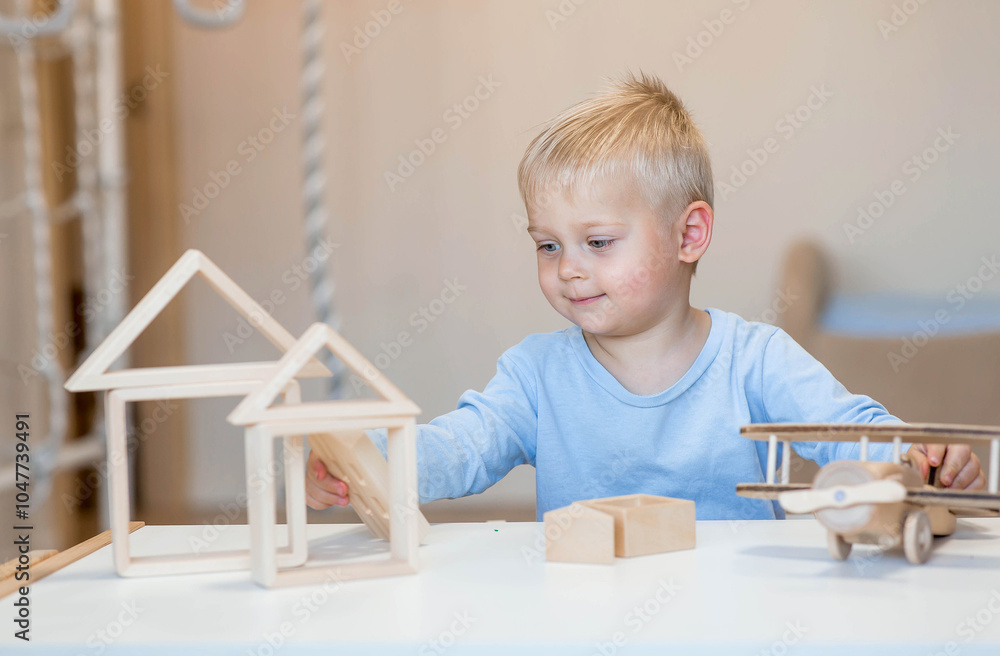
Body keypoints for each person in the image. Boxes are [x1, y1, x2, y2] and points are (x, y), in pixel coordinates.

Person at [306, 71, 984, 520]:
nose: (568, 269)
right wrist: (362, 456)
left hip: (736, 615)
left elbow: (847, 431)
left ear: (689, 234)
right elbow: (463, 446)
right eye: (548, 245)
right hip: (587, 615)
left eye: (598, 242)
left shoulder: (755, 359)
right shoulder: (536, 375)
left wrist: (915, 455)